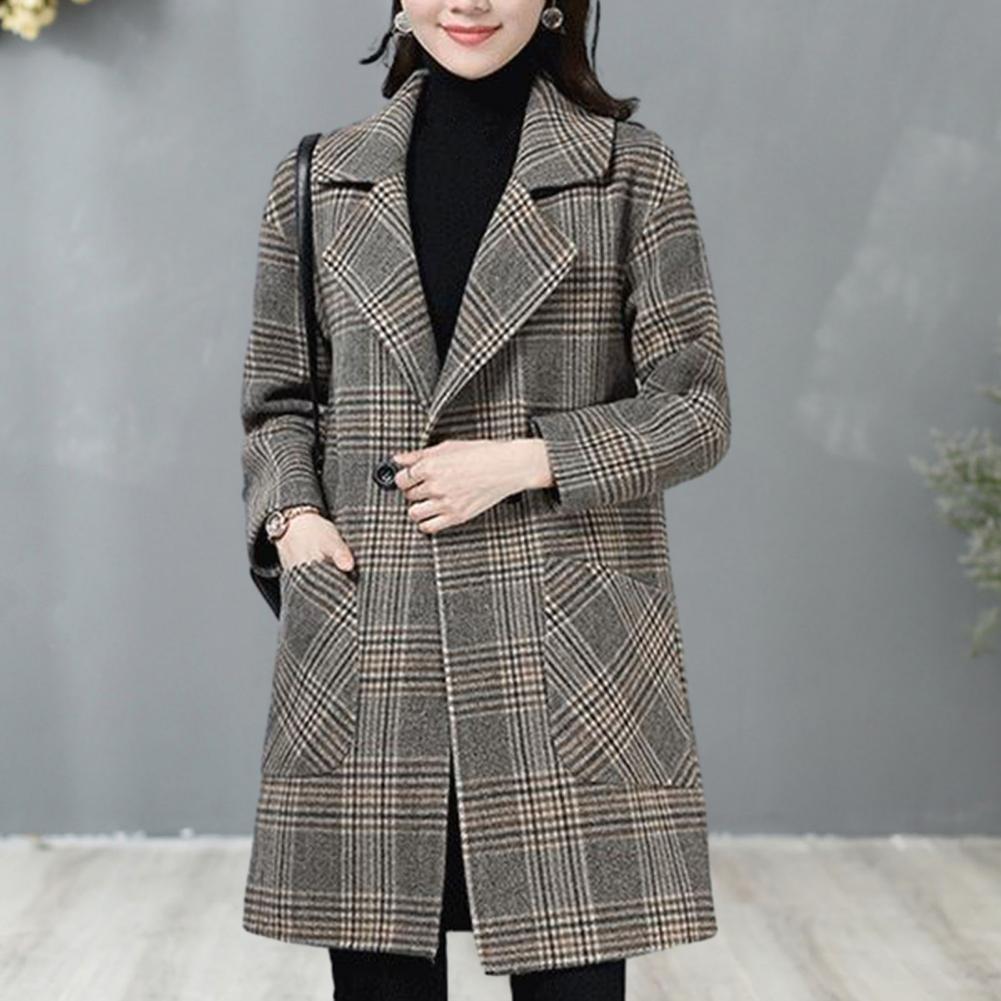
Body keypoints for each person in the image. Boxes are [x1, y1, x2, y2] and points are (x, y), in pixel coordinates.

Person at [239, 1, 730, 998]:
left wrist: (526, 460)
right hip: (373, 638)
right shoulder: (318, 177)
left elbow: (696, 409)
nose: (467, 2)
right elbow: (279, 401)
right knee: (378, 978)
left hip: (564, 658)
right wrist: (294, 518)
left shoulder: (628, 172)